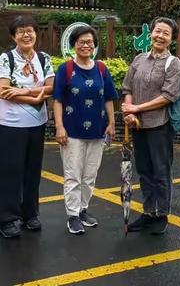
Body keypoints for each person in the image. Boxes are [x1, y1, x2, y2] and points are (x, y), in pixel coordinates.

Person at [53, 25, 118, 235]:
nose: (86, 45)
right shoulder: (66, 69)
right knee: (73, 175)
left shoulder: (101, 68)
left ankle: (82, 210)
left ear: (94, 45)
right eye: (81, 42)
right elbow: (58, 100)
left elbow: (108, 97)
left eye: (89, 41)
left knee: (90, 175)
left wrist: (111, 123)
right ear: (74, 45)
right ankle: (72, 215)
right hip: (72, 132)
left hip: (97, 131)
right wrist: (59, 126)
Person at [121, 17, 180, 234]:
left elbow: (168, 96)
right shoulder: (139, 59)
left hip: (159, 125)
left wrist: (138, 109)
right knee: (144, 170)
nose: (160, 36)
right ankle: (148, 212)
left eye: (166, 33)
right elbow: (127, 87)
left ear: (171, 39)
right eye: (158, 31)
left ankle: (162, 214)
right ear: (151, 33)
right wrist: (129, 111)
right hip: (138, 126)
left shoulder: (172, 63)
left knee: (161, 171)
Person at [0, 16, 54, 238]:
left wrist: (21, 91)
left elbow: (51, 88)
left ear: (36, 34)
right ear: (14, 36)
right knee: (10, 171)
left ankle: (30, 213)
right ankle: (8, 219)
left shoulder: (43, 58)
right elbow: (3, 91)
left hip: (37, 123)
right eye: (21, 31)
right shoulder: (6, 58)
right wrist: (35, 96)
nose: (26, 35)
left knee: (33, 170)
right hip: (11, 125)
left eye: (30, 30)